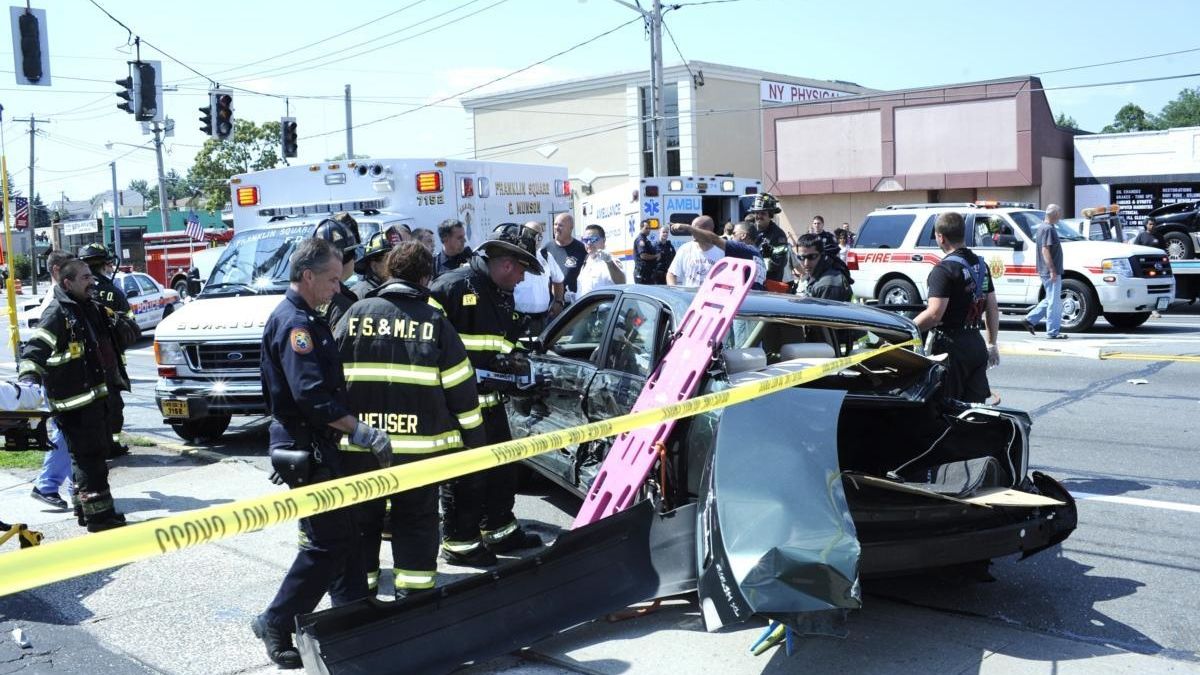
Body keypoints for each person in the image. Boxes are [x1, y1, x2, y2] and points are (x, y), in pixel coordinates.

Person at [254, 238, 385, 669]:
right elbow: (310, 396)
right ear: (307, 276)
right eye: (331, 279)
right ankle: (275, 622)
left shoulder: (310, 317)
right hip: (305, 447)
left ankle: (351, 619)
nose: (336, 287)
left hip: (318, 446)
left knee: (344, 537)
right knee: (328, 542)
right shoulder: (296, 325)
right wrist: (360, 430)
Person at [335, 242, 488, 600]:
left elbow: (329, 380)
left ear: (388, 271)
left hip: (361, 449)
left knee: (361, 523)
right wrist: (476, 442)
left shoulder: (355, 313)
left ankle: (359, 603)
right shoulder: (434, 321)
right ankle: (413, 603)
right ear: (425, 276)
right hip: (419, 455)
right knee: (416, 524)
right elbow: (461, 389)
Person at [430, 226, 545, 567]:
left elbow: (502, 344)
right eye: (522, 269)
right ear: (507, 263)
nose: (523, 278)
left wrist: (520, 367)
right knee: (466, 478)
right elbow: (428, 348)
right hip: (457, 408)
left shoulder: (500, 292)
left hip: (492, 403)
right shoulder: (449, 288)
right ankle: (460, 543)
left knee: (502, 471)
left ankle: (500, 530)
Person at [18, 259, 127, 533]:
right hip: (73, 403)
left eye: (91, 276)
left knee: (87, 458)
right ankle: (100, 518)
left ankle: (84, 509)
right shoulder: (58, 314)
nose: (92, 281)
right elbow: (34, 351)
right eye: (85, 277)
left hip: (93, 399)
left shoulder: (88, 309)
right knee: (91, 461)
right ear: (68, 283)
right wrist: (28, 380)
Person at [912, 212, 1000, 404]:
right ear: (963, 233)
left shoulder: (943, 270)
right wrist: (992, 344)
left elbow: (935, 315)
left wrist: (909, 329)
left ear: (940, 237)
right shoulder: (980, 266)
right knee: (974, 411)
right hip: (976, 345)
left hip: (951, 349)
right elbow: (992, 307)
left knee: (947, 409)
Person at [77, 243, 136, 459]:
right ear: (104, 265)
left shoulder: (72, 293)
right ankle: (112, 445)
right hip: (109, 363)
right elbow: (131, 330)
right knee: (112, 404)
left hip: (81, 364)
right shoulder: (114, 293)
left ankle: (94, 445)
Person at [29, 250, 77, 511]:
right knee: (65, 432)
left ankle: (76, 485)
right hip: (59, 380)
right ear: (58, 270)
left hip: (65, 379)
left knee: (70, 432)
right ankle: (46, 485)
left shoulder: (61, 296)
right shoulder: (55, 302)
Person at [671, 218, 765, 289]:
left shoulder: (744, 250)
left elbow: (714, 239)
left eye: (734, 233)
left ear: (743, 235)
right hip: (756, 301)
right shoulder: (758, 255)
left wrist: (688, 228)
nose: (731, 236)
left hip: (745, 303)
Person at [513, 221, 566, 337]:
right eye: (531, 234)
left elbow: (559, 280)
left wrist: (558, 301)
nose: (536, 238)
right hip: (518, 319)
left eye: (539, 235)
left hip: (543, 319)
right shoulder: (514, 256)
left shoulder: (546, 256)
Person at [1022, 204, 1067, 339]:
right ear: (1054, 215)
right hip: (1050, 271)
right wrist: (1052, 270)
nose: (1060, 217)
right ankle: (1053, 332)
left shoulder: (1044, 227)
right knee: (1054, 302)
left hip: (1047, 270)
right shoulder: (1047, 229)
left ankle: (1029, 320)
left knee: (1050, 299)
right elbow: (1045, 250)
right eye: (1059, 214)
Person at [312, 213, 363, 328]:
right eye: (353, 253)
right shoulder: (342, 304)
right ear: (347, 257)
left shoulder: (309, 294)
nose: (355, 258)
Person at [667, 216, 725, 286]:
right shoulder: (685, 249)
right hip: (689, 296)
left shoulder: (722, 251)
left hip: (711, 296)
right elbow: (671, 274)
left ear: (708, 231)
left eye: (695, 230)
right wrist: (674, 290)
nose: (692, 233)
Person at [541, 212, 587, 301]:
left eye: (561, 225)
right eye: (555, 224)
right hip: (552, 304)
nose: (556, 228)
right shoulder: (546, 248)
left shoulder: (582, 249)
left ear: (571, 228)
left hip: (575, 305)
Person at [351, 226, 405, 301]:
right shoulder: (359, 295)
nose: (396, 265)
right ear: (374, 265)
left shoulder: (397, 291)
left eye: (399, 260)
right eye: (390, 260)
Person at [793, 233, 852, 301]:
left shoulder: (828, 284)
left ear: (822, 255)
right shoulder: (815, 273)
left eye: (812, 257)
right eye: (801, 257)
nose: (806, 263)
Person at [746, 193, 790, 282]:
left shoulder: (778, 235)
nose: (759, 216)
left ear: (771, 215)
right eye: (757, 213)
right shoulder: (749, 230)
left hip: (769, 283)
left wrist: (765, 257)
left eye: (763, 213)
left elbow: (779, 264)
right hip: (750, 281)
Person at [576, 225, 627, 296]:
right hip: (587, 306)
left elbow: (621, 282)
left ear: (603, 240)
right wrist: (574, 296)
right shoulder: (587, 260)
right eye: (585, 240)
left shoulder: (610, 260)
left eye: (593, 239)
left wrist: (609, 262)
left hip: (604, 306)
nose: (589, 243)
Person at [632, 219, 659, 284]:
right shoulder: (640, 240)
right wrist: (656, 256)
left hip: (647, 273)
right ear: (641, 228)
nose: (648, 230)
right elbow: (643, 255)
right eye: (646, 228)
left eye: (649, 228)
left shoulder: (645, 239)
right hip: (642, 274)